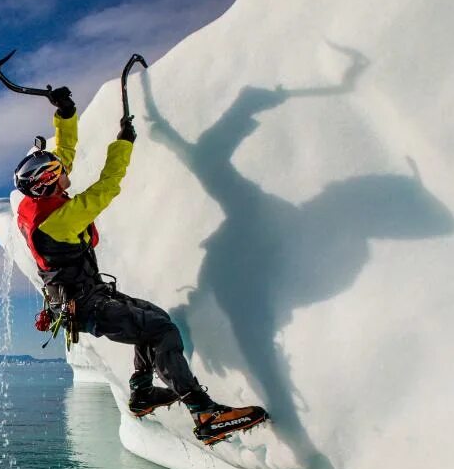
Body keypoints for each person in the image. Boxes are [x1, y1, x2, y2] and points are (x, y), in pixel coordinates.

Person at [14, 87, 268, 445]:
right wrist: (124, 143)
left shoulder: (36, 204)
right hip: (87, 305)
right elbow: (108, 186)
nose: (63, 168)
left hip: (86, 296)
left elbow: (64, 153)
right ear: (47, 184)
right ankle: (204, 413)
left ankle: (142, 393)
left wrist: (66, 113)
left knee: (152, 317)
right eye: (57, 171)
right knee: (159, 330)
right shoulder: (62, 219)